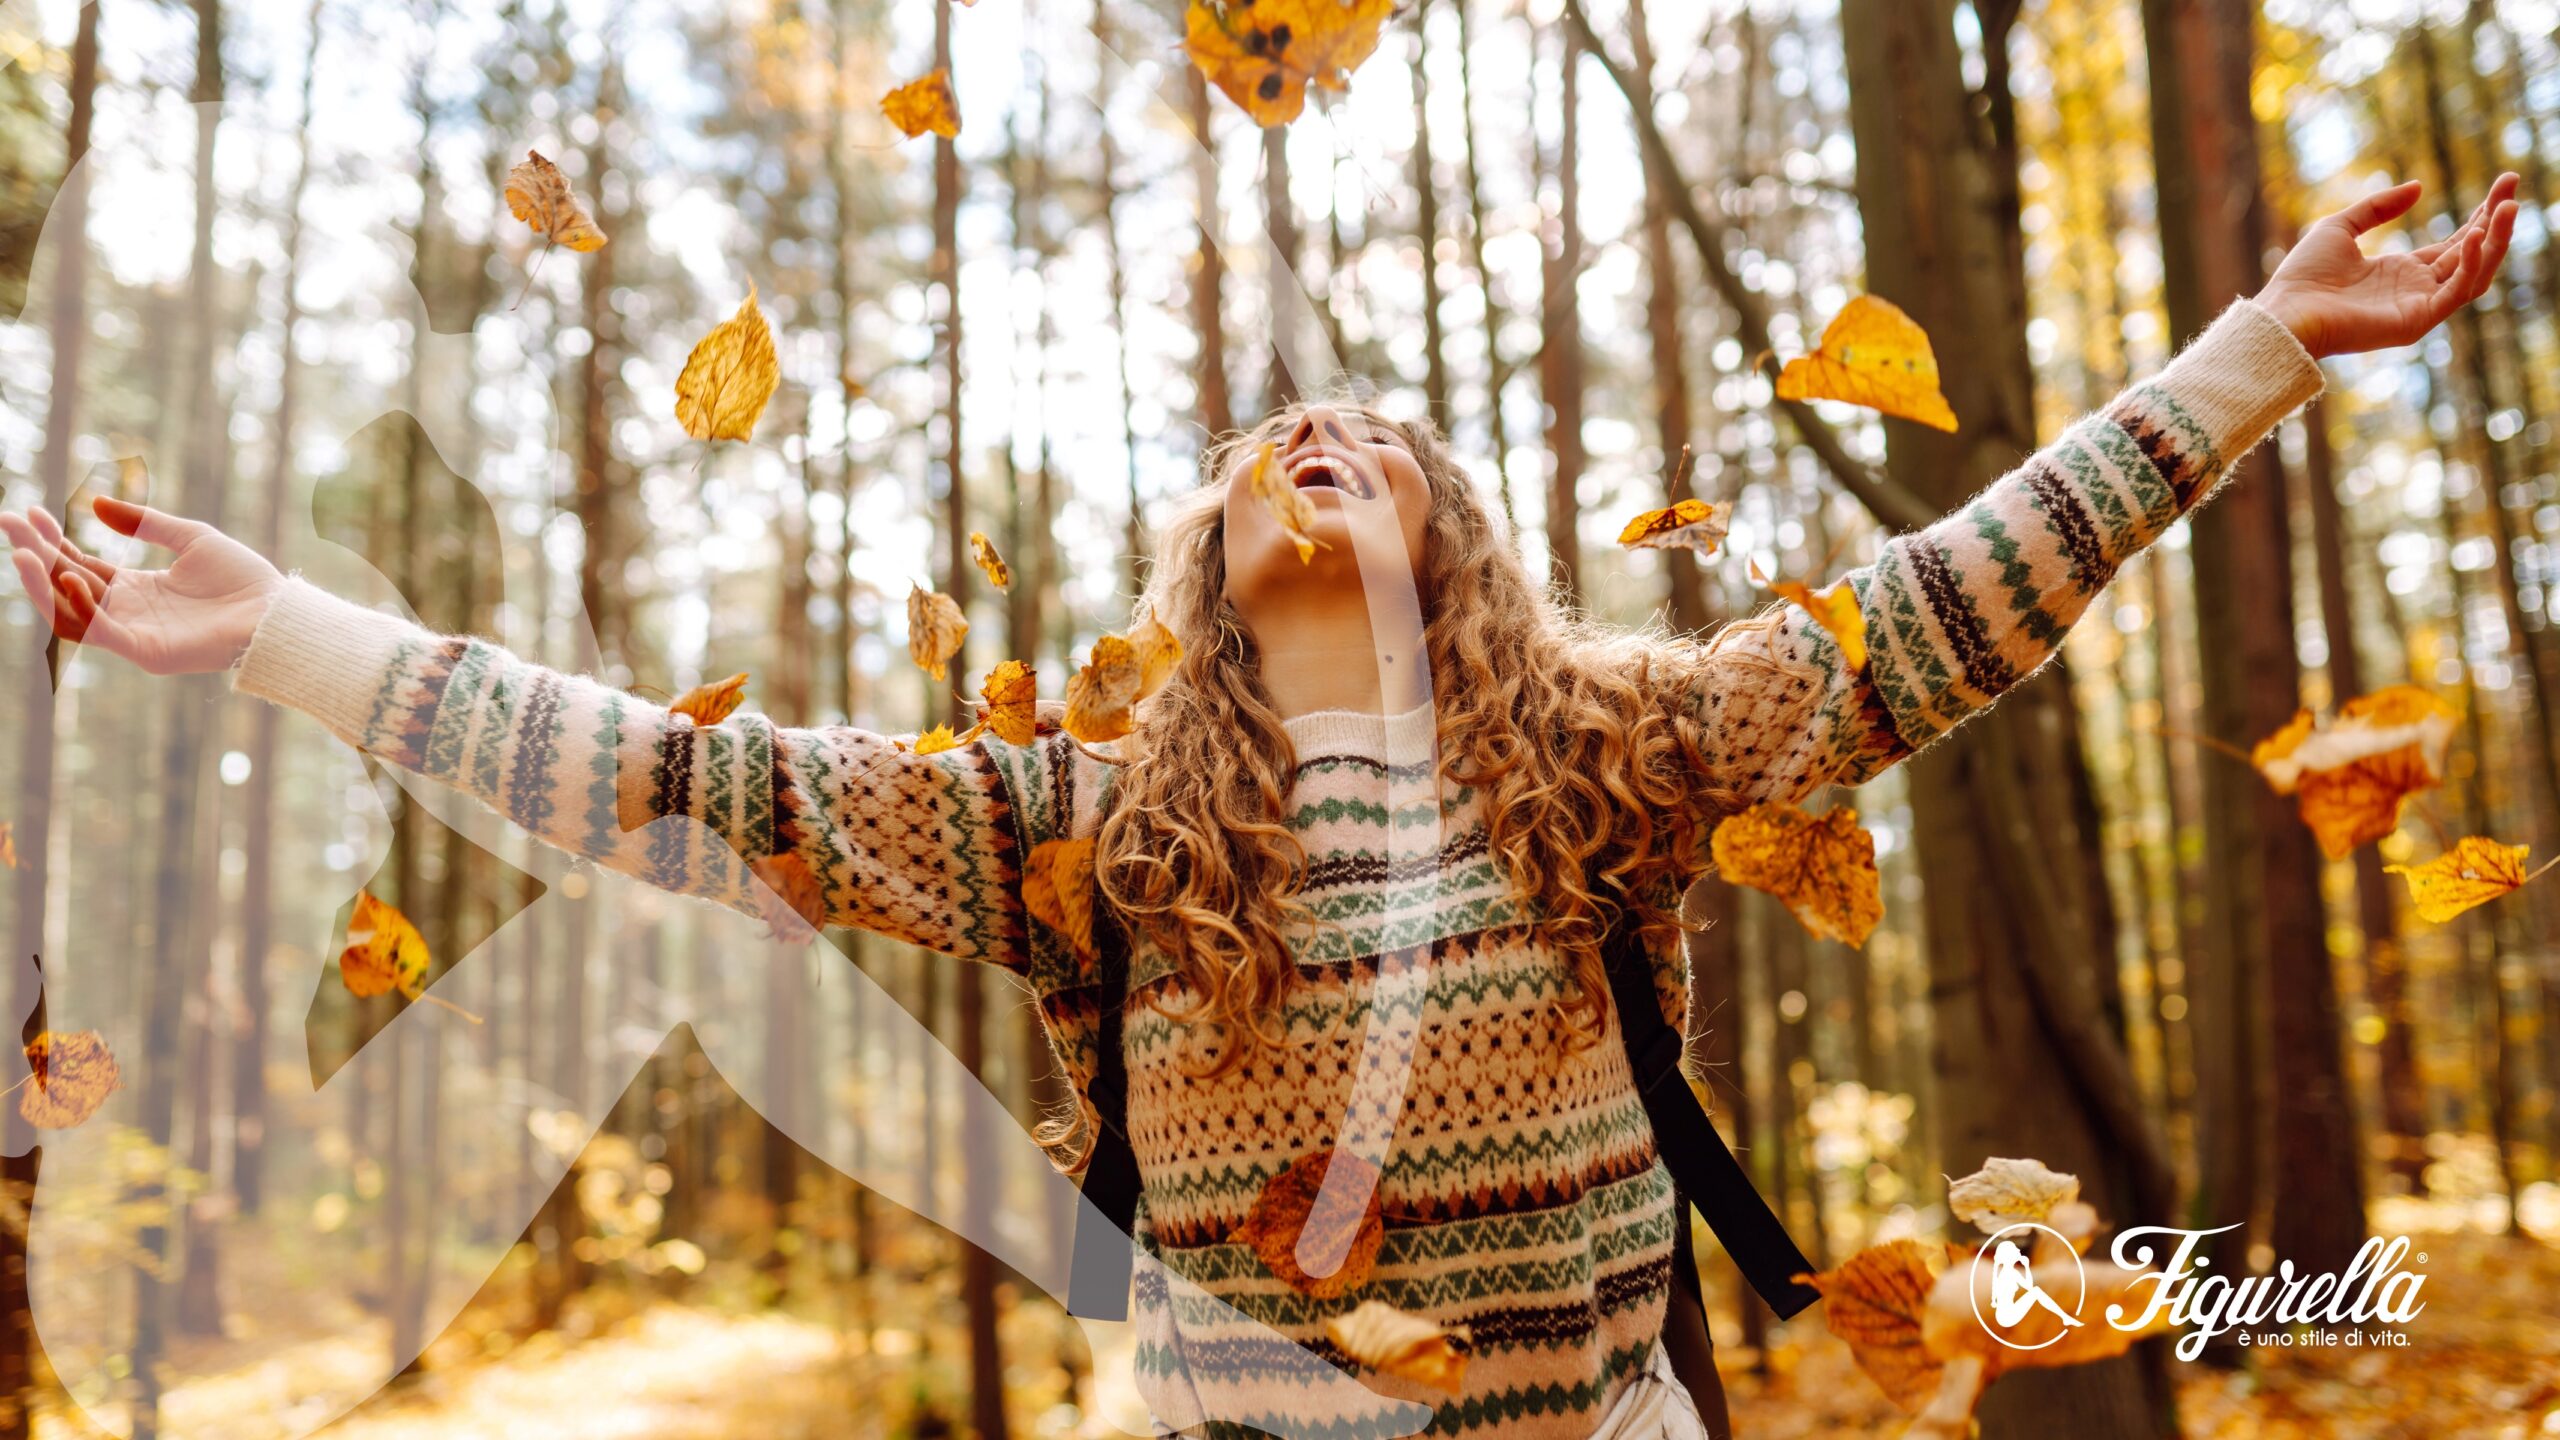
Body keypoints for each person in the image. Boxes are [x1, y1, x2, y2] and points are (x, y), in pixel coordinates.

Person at [3, 174, 2517, 1440]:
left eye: (1379, 445)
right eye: (1261, 454)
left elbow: (1950, 603)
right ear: (1206, 561)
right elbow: (689, 779)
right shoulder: (1082, 825)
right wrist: (289, 638)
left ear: (1456, 542)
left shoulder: (1620, 754)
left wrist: (2255, 351)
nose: (1316, 443)